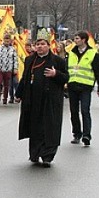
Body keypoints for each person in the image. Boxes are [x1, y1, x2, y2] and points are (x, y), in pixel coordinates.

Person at [15, 33, 69, 167]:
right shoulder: (30, 60)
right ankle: (34, 153)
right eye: (37, 44)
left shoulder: (58, 61)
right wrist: (19, 93)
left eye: (42, 44)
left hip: (50, 100)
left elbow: (66, 78)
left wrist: (56, 74)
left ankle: (47, 155)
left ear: (48, 46)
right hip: (33, 99)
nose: (39, 47)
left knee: (49, 127)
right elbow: (25, 78)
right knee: (35, 126)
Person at [67, 31, 99, 146]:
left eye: (77, 38)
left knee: (85, 110)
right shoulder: (71, 53)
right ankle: (77, 133)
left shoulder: (93, 54)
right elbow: (66, 68)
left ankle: (86, 135)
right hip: (72, 85)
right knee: (74, 112)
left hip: (85, 87)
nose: (75, 40)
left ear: (84, 40)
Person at [0, 34, 18, 104]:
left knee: (6, 85)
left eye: (8, 40)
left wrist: (15, 68)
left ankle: (5, 98)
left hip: (8, 69)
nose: (7, 41)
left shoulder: (13, 49)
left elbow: (15, 59)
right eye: (5, 40)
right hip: (0, 68)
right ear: (3, 40)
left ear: (10, 40)